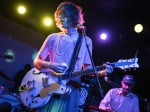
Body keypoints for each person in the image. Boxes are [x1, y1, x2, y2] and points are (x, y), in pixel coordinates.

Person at [33, 2, 113, 112]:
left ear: (73, 17)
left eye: (64, 15)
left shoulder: (86, 41)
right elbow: (37, 62)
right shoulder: (52, 37)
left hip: (71, 88)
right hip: (49, 86)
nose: (60, 18)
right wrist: (50, 65)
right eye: (59, 15)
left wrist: (102, 72)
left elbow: (87, 70)